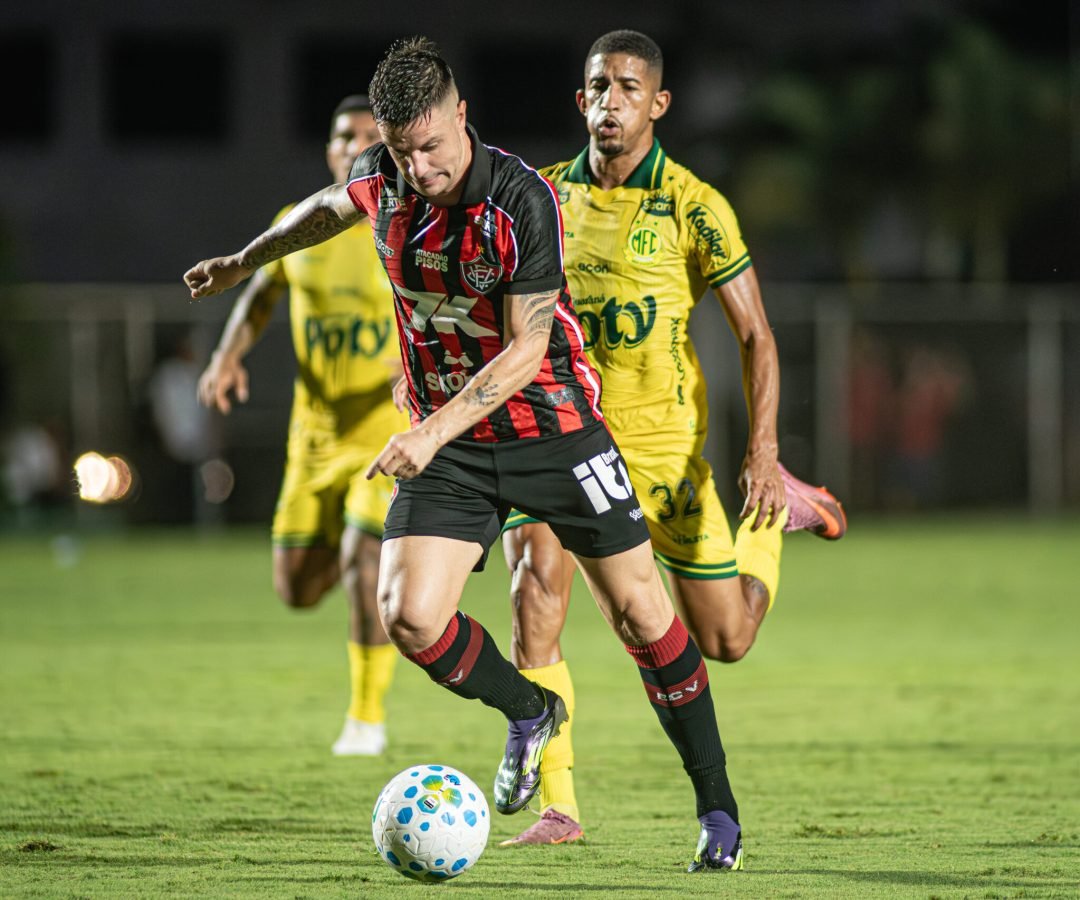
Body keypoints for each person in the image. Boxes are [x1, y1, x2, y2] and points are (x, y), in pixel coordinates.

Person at [186, 36, 747, 872]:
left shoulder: (522, 199)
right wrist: (244, 261)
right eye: (400, 152)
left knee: (642, 616)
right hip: (454, 447)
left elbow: (526, 351)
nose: (418, 169)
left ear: (461, 117)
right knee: (409, 616)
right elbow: (325, 208)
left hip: (554, 433)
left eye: (430, 147)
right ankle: (530, 710)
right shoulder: (384, 177)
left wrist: (426, 431)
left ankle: (717, 807)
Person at [497, 30, 847, 849]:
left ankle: (779, 516)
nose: (610, 100)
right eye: (598, 85)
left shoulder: (694, 205)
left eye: (628, 87)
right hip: (561, 443)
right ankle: (560, 808)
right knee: (533, 588)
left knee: (725, 639)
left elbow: (756, 336)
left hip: (664, 458)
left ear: (657, 104)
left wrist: (762, 454)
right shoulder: (541, 198)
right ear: (580, 100)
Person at [196, 95, 408, 757]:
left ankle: (366, 720)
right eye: (345, 135)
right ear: (330, 149)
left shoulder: (405, 225)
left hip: (383, 432)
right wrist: (227, 355)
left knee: (363, 560)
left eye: (370, 135)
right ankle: (372, 572)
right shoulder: (298, 226)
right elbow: (260, 292)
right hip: (314, 438)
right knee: (295, 589)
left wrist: (421, 368)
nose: (356, 144)